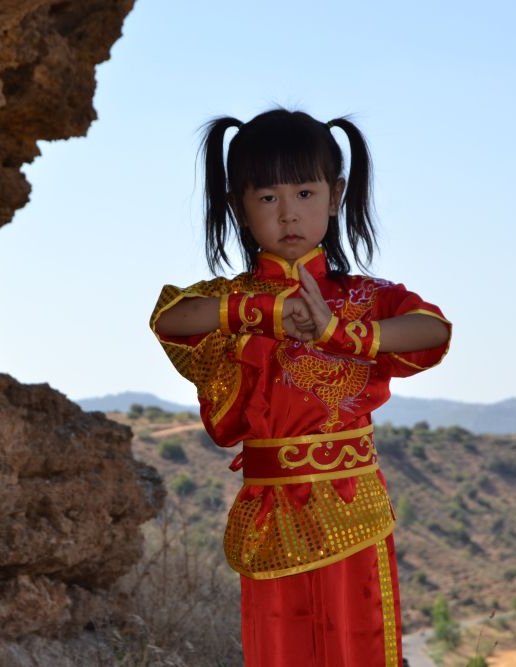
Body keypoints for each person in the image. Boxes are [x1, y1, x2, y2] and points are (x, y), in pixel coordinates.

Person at [149, 108, 451, 667]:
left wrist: (344, 333)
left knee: (358, 646)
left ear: (336, 196)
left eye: (306, 193)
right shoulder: (228, 299)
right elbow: (171, 318)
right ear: (238, 203)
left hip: (351, 505)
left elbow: (433, 328)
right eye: (267, 198)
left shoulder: (366, 295)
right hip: (271, 511)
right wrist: (262, 311)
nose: (288, 213)